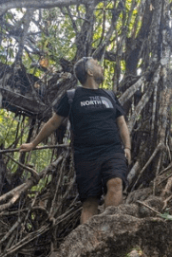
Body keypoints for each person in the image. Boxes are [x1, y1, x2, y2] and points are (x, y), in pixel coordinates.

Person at [19, 57, 132, 224]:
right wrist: (33, 144)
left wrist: (127, 147)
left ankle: (108, 232)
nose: (101, 67)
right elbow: (53, 122)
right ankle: (88, 244)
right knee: (89, 201)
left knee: (115, 182)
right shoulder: (72, 96)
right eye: (97, 64)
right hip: (85, 155)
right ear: (90, 72)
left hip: (112, 150)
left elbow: (121, 123)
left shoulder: (110, 95)